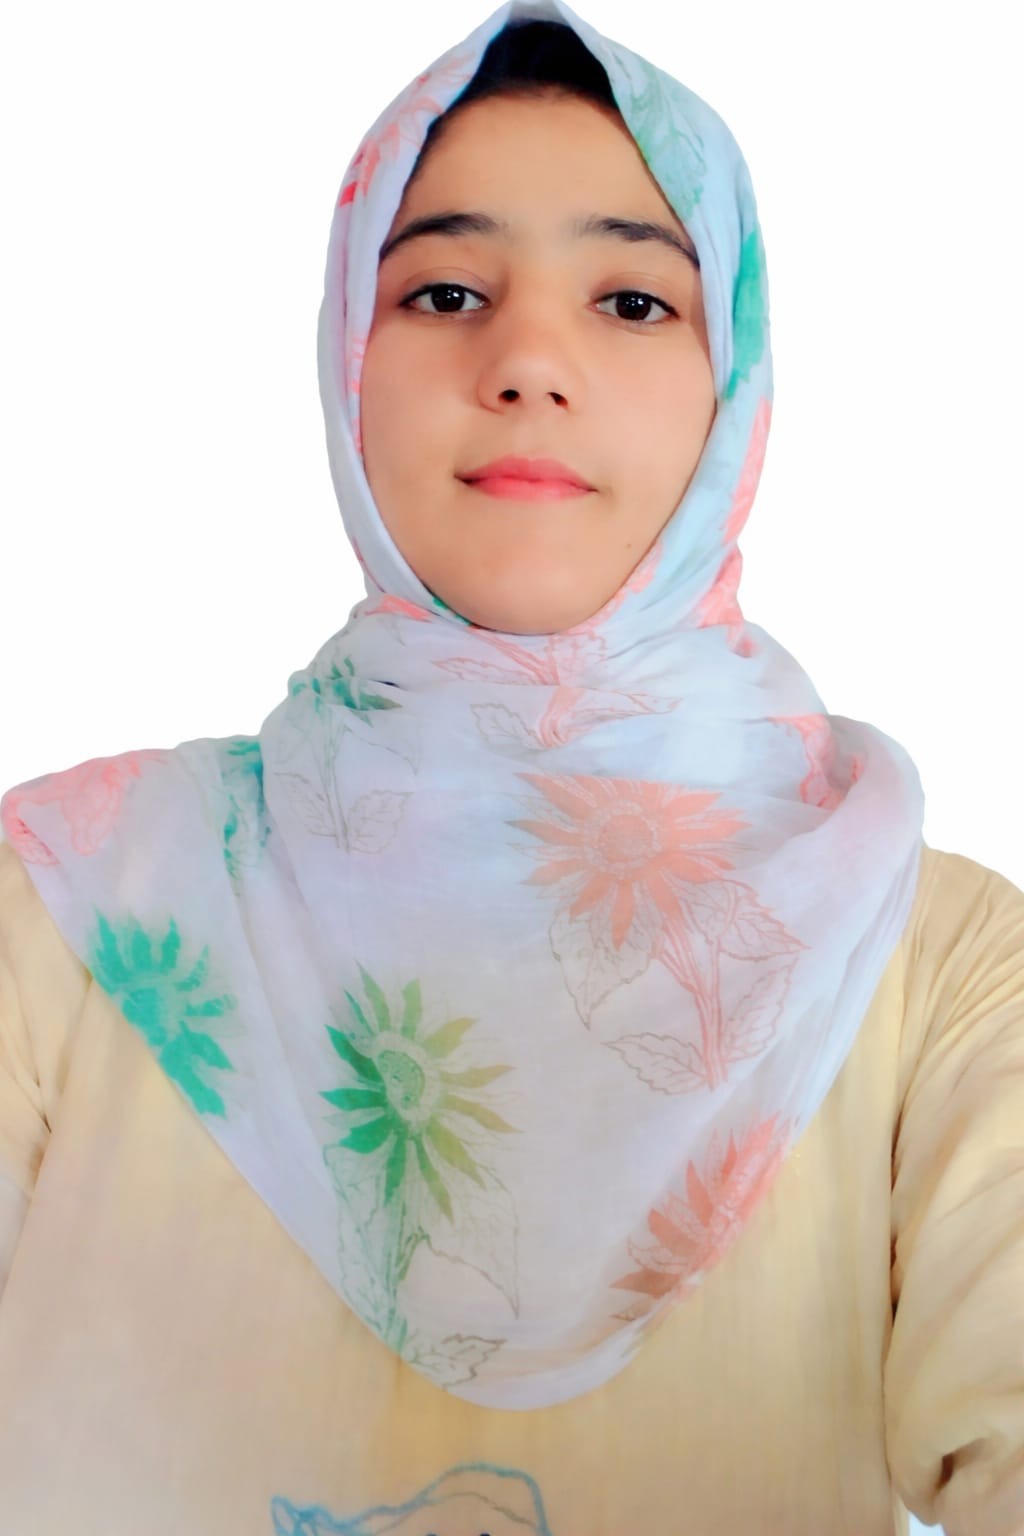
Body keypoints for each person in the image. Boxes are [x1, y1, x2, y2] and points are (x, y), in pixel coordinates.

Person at [0, 4, 1021, 1532]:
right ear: (348, 360)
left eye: (631, 299)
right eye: (447, 290)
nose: (530, 359)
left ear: (736, 382)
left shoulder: (937, 972)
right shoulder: (72, 909)